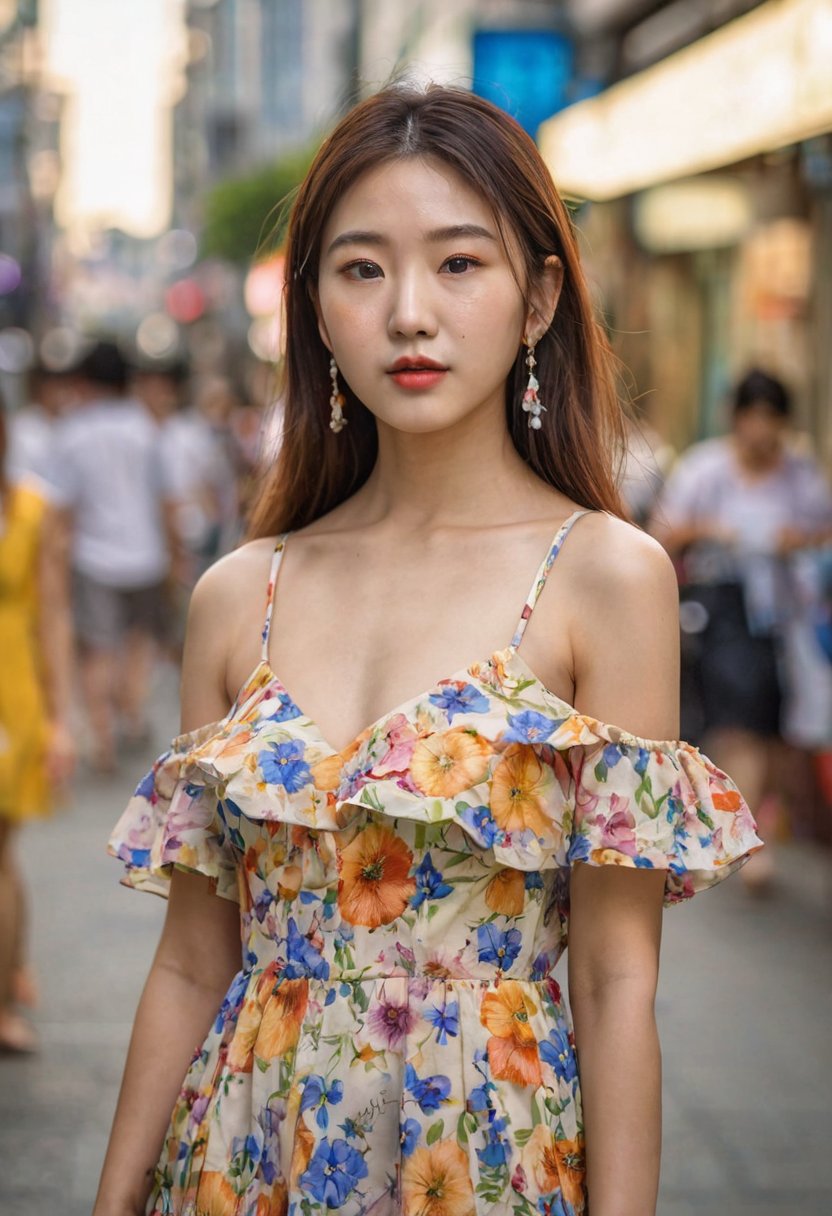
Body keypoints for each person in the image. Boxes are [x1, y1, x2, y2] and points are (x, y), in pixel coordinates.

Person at [96, 85, 762, 1216]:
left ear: (538, 295)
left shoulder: (604, 576)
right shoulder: (236, 594)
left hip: (484, 1161)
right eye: (361, 270)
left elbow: (614, 977)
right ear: (312, 309)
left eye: (459, 264)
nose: (410, 312)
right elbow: (190, 962)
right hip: (238, 1159)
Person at [650, 369, 832, 890]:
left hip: (784, 615)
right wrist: (712, 531)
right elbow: (664, 532)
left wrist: (793, 542)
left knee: (775, 726)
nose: (760, 430)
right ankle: (751, 841)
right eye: (752, 417)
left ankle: (743, 825)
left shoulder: (800, 476)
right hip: (721, 609)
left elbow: (822, 530)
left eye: (770, 418)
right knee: (739, 719)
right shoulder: (706, 470)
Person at [51, 340, 177, 771]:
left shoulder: (72, 432)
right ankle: (132, 710)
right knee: (138, 642)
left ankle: (102, 737)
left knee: (98, 650)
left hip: (93, 558)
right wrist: (175, 553)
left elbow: (61, 508)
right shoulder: (145, 428)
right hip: (147, 554)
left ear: (85, 381)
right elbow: (166, 499)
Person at [0, 399, 75, 1052]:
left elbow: (52, 613)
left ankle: (2, 1000)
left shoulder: (28, 509)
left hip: (11, 697)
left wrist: (59, 720)